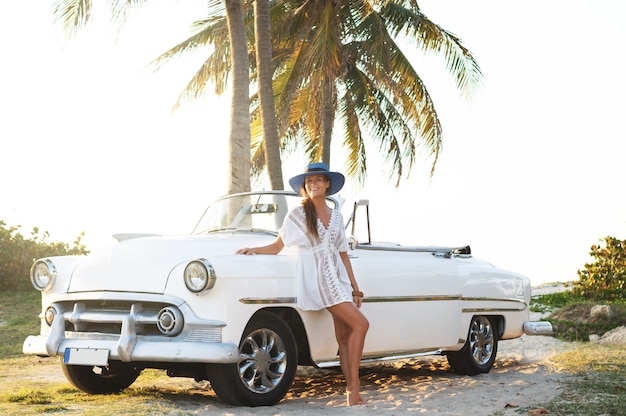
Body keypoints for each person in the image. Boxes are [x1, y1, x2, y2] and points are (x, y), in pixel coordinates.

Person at [236, 162, 369, 406]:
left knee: (345, 336)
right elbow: (278, 247)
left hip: (337, 280)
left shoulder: (337, 216)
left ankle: (352, 394)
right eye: (309, 181)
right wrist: (253, 250)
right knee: (361, 324)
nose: (313, 184)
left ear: (327, 184)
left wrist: (355, 287)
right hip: (318, 279)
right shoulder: (297, 215)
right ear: (305, 186)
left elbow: (342, 254)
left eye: (318, 180)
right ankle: (354, 390)